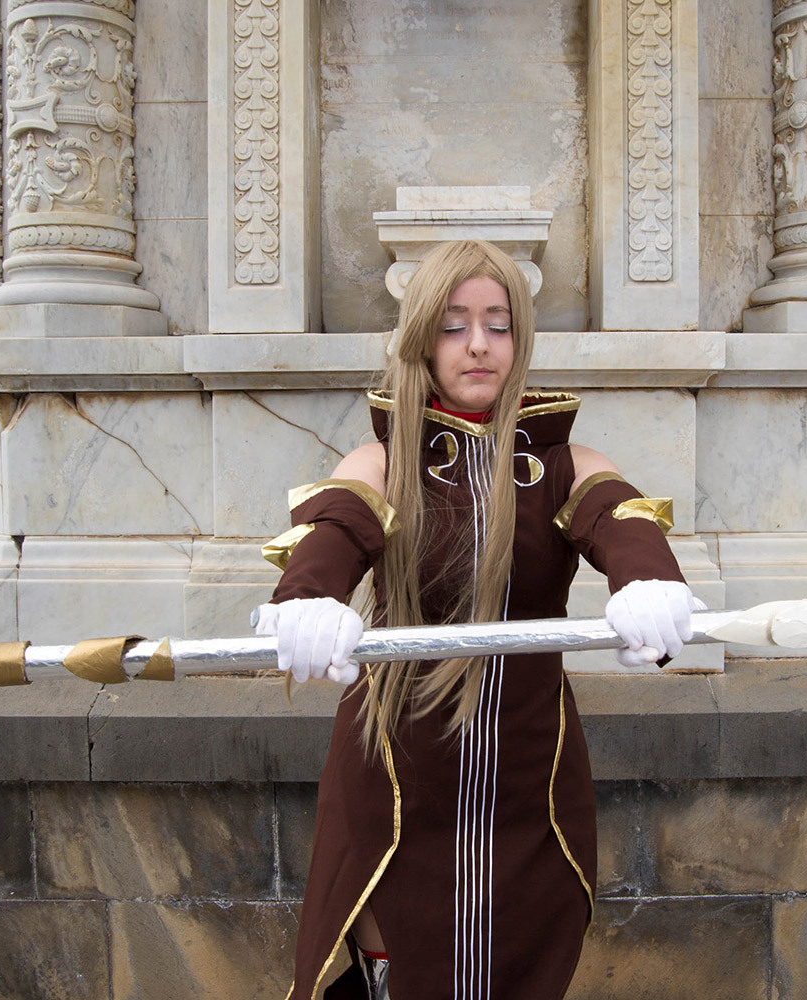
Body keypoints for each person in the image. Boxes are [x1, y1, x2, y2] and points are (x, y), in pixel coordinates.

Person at [256, 240, 701, 1000]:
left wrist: (651, 584)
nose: (479, 345)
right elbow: (336, 530)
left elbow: (621, 520)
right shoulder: (381, 460)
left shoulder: (566, 461)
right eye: (455, 324)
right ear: (422, 338)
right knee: (398, 968)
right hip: (398, 770)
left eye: (498, 324)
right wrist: (308, 596)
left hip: (529, 775)